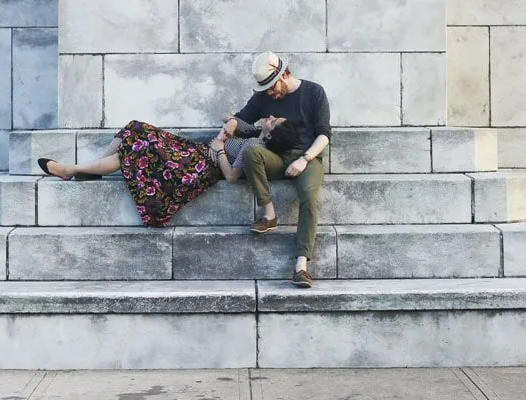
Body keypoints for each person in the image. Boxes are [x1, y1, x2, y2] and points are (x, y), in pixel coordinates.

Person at [38, 119, 288, 227]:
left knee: (132, 152)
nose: (272, 117)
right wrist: (231, 125)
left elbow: (232, 177)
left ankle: (71, 170)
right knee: (134, 129)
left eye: (274, 121)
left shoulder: (254, 146)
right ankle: (92, 170)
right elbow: (229, 118)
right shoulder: (255, 131)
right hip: (194, 151)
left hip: (198, 167)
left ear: (271, 134)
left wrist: (221, 147)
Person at [222, 51, 331, 289]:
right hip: (274, 157)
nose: (270, 94)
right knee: (251, 151)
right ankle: (269, 215)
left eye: (273, 87)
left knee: (310, 198)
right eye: (266, 89)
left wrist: (304, 159)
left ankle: (301, 266)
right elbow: (243, 119)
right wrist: (231, 122)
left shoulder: (314, 92)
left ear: (286, 74)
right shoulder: (263, 97)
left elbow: (324, 134)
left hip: (307, 159)